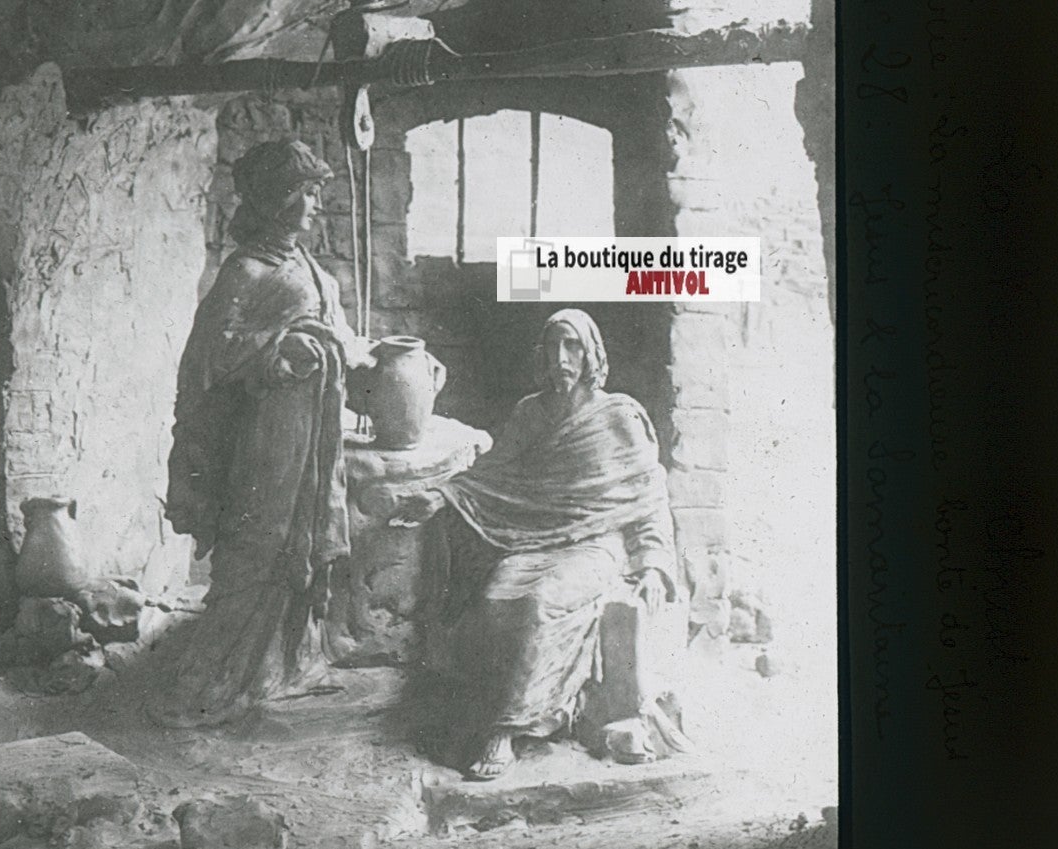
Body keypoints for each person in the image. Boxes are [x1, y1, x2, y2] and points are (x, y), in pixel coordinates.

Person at [392, 309, 679, 779]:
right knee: (495, 596)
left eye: (572, 346)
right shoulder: (530, 413)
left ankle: (506, 730)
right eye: (552, 347)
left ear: (591, 354)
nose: (561, 358)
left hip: (595, 545)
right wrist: (442, 497)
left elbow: (647, 499)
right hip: (534, 541)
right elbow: (492, 477)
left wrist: (651, 564)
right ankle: (525, 709)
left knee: (538, 602)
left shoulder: (618, 417)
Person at [149, 137, 374, 727]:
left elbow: (336, 331)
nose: (316, 205)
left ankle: (286, 663)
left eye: (318, 193)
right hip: (267, 438)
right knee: (258, 545)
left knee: (302, 541)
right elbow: (210, 360)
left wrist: (352, 351)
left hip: (313, 433)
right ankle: (216, 679)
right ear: (278, 199)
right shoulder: (244, 271)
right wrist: (277, 353)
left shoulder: (307, 267)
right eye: (307, 193)